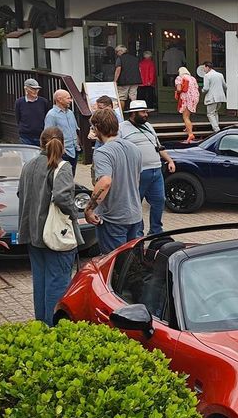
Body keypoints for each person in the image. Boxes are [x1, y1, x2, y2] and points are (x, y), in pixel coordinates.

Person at [17, 127, 83, 325]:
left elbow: (21, 195)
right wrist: (73, 213)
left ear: (40, 142)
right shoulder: (61, 167)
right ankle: (54, 327)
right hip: (56, 234)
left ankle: (41, 325)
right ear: (63, 144)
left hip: (33, 233)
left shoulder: (28, 165)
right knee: (58, 283)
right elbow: (63, 197)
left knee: (41, 282)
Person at [84, 108, 144, 253]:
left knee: (113, 265)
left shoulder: (102, 152)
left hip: (114, 218)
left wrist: (89, 209)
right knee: (132, 264)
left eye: (93, 127)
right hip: (135, 215)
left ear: (97, 128)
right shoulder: (134, 148)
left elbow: (105, 182)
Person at [120, 100, 176, 236]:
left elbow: (158, 146)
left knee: (159, 200)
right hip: (137, 173)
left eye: (146, 112)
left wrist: (169, 160)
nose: (146, 115)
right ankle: (138, 232)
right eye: (143, 112)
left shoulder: (149, 126)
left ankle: (156, 230)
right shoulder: (122, 128)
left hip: (156, 170)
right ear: (133, 113)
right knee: (136, 203)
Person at [44, 89, 81, 172]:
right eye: (68, 98)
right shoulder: (51, 115)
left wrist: (77, 145)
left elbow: (75, 130)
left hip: (74, 150)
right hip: (62, 153)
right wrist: (58, 150)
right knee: (62, 176)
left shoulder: (70, 113)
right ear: (59, 99)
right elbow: (48, 135)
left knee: (71, 175)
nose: (70, 101)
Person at [15, 79, 51, 146]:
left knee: (40, 156)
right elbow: (18, 118)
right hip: (25, 136)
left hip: (40, 135)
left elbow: (47, 117)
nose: (36, 91)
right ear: (26, 89)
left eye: (37, 89)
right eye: (33, 89)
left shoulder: (44, 102)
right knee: (26, 155)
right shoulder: (19, 102)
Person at [113, 45, 142, 113]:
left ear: (121, 51)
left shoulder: (120, 59)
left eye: (117, 52)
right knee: (133, 97)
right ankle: (134, 113)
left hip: (124, 81)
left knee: (122, 97)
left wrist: (115, 80)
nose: (116, 53)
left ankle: (121, 114)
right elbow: (139, 69)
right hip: (135, 80)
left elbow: (118, 70)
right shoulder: (135, 58)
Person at [200, 61, 227, 133]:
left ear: (207, 67)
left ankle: (216, 129)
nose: (203, 70)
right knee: (215, 112)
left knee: (210, 114)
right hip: (220, 97)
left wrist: (201, 91)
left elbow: (206, 88)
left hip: (212, 98)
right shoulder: (220, 75)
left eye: (204, 68)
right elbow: (225, 86)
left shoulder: (207, 76)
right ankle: (216, 127)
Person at [175, 66, 200, 143]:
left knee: (185, 117)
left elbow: (179, 89)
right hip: (195, 97)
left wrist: (176, 92)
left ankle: (190, 134)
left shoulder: (179, 78)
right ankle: (187, 127)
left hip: (186, 98)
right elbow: (197, 87)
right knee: (188, 114)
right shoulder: (192, 78)